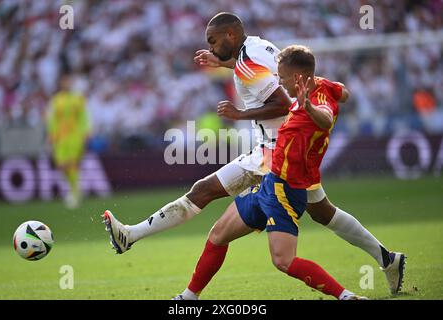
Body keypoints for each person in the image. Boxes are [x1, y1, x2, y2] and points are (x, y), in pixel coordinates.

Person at [102, 12, 405, 294]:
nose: (210, 46)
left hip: (275, 155)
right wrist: (224, 64)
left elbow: (282, 102)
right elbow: (272, 78)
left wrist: (238, 114)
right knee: (324, 213)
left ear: (230, 35)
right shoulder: (259, 47)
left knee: (207, 196)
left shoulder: (247, 64)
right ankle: (387, 258)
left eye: (213, 41)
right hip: (283, 148)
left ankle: (132, 237)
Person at [174, 45, 371, 300]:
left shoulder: (316, 102)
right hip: (269, 181)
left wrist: (308, 106)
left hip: (286, 189)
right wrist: (335, 89)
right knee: (218, 234)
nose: (279, 81)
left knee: (283, 261)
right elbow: (343, 92)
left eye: (283, 77)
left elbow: (324, 118)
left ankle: (347, 297)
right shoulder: (322, 86)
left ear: (299, 78)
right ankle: (188, 297)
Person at [47, 73, 90, 209]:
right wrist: (52, 133)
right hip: (60, 138)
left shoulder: (78, 98)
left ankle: (75, 193)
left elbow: (84, 116)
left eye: (68, 81)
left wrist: (86, 131)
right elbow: (52, 119)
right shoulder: (56, 100)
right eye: (64, 81)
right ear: (60, 83)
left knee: (72, 164)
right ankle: (75, 189)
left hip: (74, 136)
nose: (66, 84)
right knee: (61, 166)